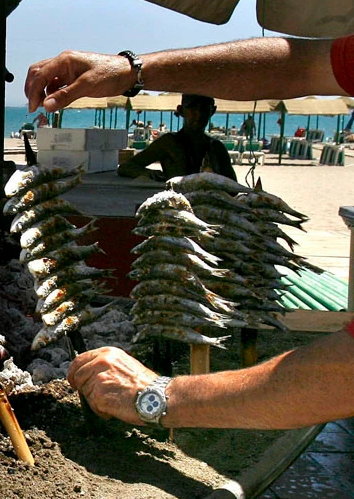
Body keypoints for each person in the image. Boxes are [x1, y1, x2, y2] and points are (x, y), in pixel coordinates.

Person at [26, 35, 354, 430]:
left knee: (219, 302)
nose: (199, 114)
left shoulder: (204, 147)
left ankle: (221, 354)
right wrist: (132, 70)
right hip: (183, 228)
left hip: (209, 235)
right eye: (195, 108)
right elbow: (303, 62)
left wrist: (159, 397)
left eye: (203, 108)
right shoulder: (185, 145)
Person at [116, 94, 236, 182]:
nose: (198, 114)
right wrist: (148, 173)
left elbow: (233, 187)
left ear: (212, 111)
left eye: (204, 108)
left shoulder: (216, 147)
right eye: (192, 108)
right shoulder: (169, 142)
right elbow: (126, 167)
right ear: (181, 111)